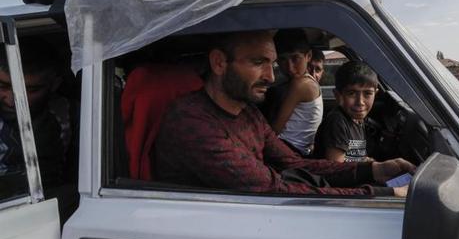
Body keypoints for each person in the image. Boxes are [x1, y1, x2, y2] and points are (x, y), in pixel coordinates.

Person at [154, 30, 414, 197]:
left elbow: (293, 164)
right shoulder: (193, 124)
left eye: (271, 63)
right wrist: (382, 195)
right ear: (219, 63)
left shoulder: (248, 113)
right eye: (258, 63)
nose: (270, 76)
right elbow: (276, 189)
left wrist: (376, 170)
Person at [0, 37, 78, 221]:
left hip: (49, 207)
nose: (12, 100)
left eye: (31, 90)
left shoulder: (71, 112)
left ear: (54, 85)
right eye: (3, 86)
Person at [314, 61, 384, 163]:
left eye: (367, 93)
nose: (360, 102)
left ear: (375, 94)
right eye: (351, 93)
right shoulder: (337, 121)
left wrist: (368, 161)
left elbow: (354, 157)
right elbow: (336, 167)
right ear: (338, 95)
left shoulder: (358, 120)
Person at [268, 29, 322, 156]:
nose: (290, 67)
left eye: (295, 58)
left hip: (288, 149)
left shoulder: (300, 84)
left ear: (308, 56)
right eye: (282, 60)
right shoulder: (309, 81)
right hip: (299, 149)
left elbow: (275, 129)